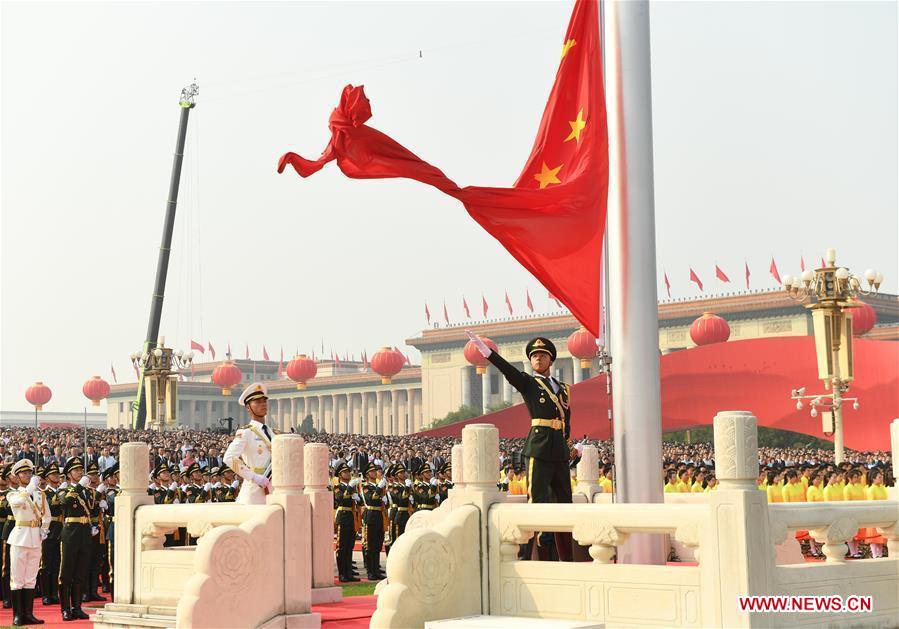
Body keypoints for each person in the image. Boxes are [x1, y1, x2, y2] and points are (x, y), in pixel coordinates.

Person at [467, 332, 575, 562]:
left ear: (550, 360)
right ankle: (537, 556)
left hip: (559, 450)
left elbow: (566, 420)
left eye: (542, 355)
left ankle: (566, 557)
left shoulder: (564, 388)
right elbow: (508, 370)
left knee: (566, 503)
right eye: (534, 356)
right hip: (539, 447)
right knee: (537, 501)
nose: (537, 359)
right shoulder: (528, 382)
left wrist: (570, 446)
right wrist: (488, 354)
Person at [7, 459, 50, 626]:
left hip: (35, 537)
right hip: (20, 537)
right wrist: (30, 488)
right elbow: (18, 503)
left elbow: (47, 515)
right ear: (17, 477)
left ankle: (29, 613)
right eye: (24, 474)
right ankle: (18, 615)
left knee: (31, 578)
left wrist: (44, 529)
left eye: (29, 473)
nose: (27, 475)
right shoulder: (13, 494)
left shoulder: (40, 494)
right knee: (17, 578)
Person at [223, 383, 274, 505]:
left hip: (273, 488)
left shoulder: (272, 432)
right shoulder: (246, 432)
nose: (262, 404)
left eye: (264, 401)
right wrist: (253, 477)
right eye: (257, 402)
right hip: (255, 489)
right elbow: (229, 458)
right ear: (248, 407)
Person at [58, 457, 92, 621]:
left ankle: (77, 607)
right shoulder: (64, 489)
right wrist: (79, 486)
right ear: (69, 474)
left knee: (80, 572)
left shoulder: (86, 491)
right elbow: (65, 502)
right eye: (76, 470)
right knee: (66, 573)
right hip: (70, 533)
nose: (80, 472)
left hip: (84, 533)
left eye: (80, 470)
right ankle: (65, 609)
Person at [40, 463, 63, 605]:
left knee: (57, 563)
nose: (57, 476)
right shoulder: (43, 493)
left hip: (61, 528)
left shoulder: (63, 491)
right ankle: (46, 594)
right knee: (46, 564)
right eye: (53, 474)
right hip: (48, 528)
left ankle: (54, 593)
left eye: (57, 474)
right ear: (47, 478)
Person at [333, 463, 359, 582]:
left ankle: (349, 573)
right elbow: (340, 500)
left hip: (351, 516)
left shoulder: (351, 487)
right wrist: (349, 489)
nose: (348, 474)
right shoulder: (338, 487)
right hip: (342, 516)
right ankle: (342, 573)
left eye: (349, 472)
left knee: (349, 546)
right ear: (340, 474)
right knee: (342, 547)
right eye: (345, 472)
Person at [360, 462, 386, 580]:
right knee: (370, 545)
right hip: (370, 515)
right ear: (367, 474)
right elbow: (371, 499)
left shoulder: (376, 486)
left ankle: (376, 569)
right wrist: (379, 489)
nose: (375, 473)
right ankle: (370, 571)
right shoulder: (365, 486)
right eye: (372, 471)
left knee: (377, 545)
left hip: (378, 515)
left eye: (376, 471)